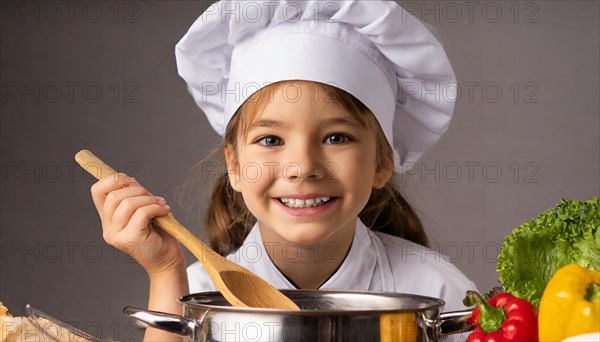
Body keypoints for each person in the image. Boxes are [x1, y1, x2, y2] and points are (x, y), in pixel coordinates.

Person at [90, 1, 476, 341]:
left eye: (337, 137)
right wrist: (164, 270)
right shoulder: (197, 293)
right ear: (235, 165)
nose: (302, 168)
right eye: (271, 140)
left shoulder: (438, 291)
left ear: (381, 162)